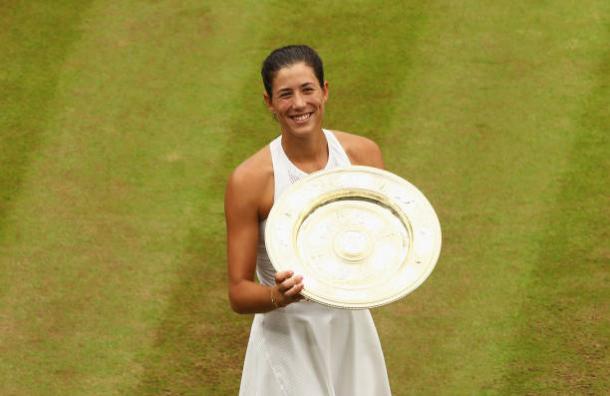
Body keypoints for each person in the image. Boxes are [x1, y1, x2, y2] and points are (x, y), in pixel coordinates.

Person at [225, 45, 392, 396]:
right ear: (269, 102)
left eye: (307, 90)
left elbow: (383, 239)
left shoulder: (363, 155)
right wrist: (277, 296)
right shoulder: (251, 180)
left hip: (350, 330)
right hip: (288, 340)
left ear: (325, 91)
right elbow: (239, 293)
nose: (299, 104)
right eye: (285, 95)